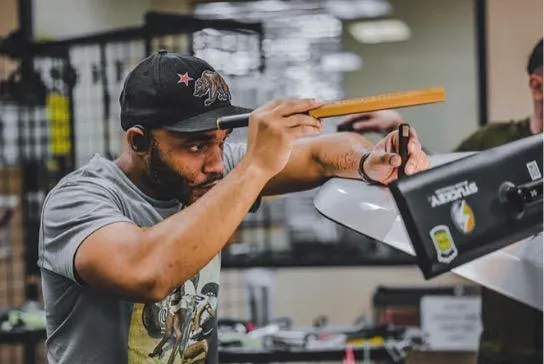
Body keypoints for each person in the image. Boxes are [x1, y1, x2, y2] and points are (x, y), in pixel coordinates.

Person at [37, 50, 430, 364]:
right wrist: (255, 167)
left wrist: (372, 158)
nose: (213, 162)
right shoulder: (79, 200)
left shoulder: (212, 170)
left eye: (221, 141)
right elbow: (146, 272)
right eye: (195, 145)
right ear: (139, 142)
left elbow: (324, 154)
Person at [341, 38, 543, 364]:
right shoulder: (492, 143)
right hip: (505, 348)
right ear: (537, 86)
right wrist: (397, 129)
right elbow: (441, 188)